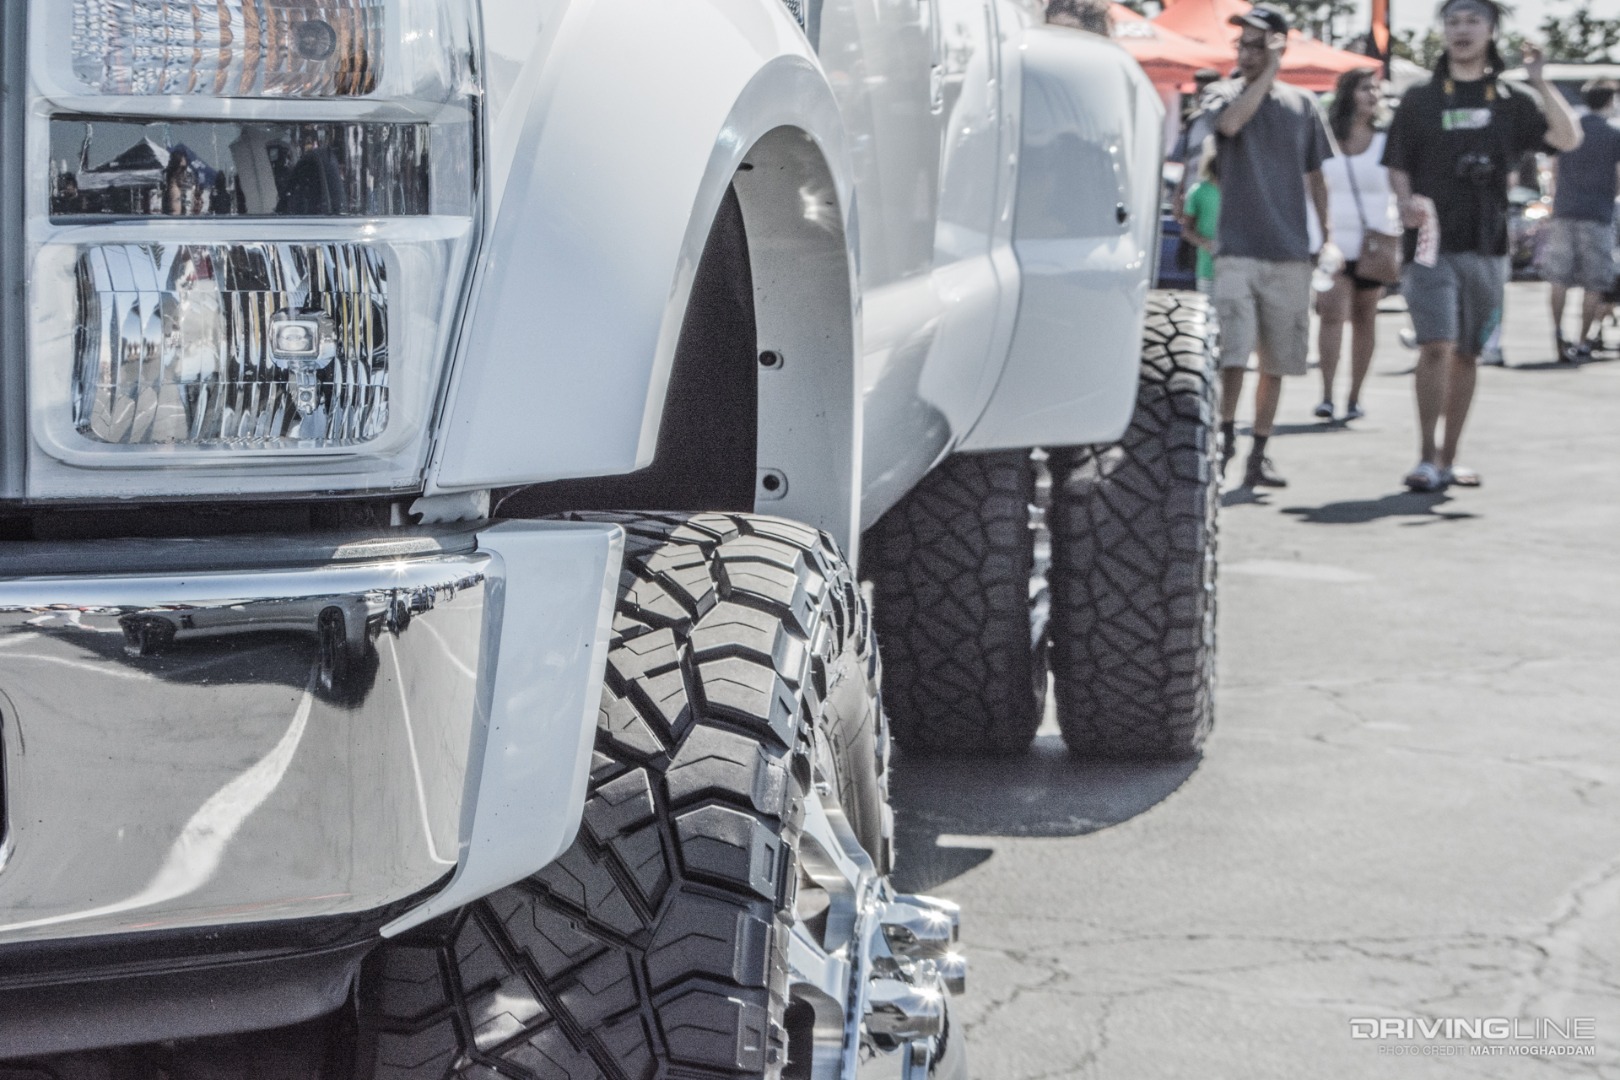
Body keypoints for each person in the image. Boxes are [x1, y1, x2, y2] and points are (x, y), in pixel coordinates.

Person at [1382, 0, 1581, 493]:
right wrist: (1405, 201)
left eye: (1473, 20)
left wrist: (1539, 79)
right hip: (1429, 245)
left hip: (1488, 243)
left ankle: (1449, 459)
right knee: (1436, 344)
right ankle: (1425, 457)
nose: (1461, 29)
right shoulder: (1421, 99)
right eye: (1453, 21)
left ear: (1491, 31)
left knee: (1468, 353)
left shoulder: (1510, 99)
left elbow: (1567, 138)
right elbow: (1397, 162)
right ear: (1443, 33)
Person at [1203, 4, 1335, 488]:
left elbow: (1317, 175)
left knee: (1277, 360)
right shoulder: (1223, 92)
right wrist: (1266, 74)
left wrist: (1327, 234)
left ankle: (1259, 451)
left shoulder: (1302, 105)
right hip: (1236, 247)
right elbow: (1231, 125)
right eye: (1243, 44)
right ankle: (1223, 441)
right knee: (1233, 357)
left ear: (1280, 44)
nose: (1248, 53)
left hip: (1290, 251)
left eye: (1259, 44)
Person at [1309, 67, 1398, 422]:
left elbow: (1398, 184)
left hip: (1374, 241)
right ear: (1348, 93)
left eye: (1375, 89)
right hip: (1332, 241)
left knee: (1365, 318)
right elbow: (1312, 184)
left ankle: (1355, 396)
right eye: (1365, 89)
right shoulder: (1326, 136)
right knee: (1331, 315)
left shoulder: (1386, 139)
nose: (1372, 96)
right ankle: (1327, 394)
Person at [1543, 79, 1620, 362]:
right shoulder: (1613, 134)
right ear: (1610, 100)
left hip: (1564, 211)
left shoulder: (1570, 126)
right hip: (1597, 214)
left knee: (1559, 278)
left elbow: (1554, 170)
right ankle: (1584, 340)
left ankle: (1557, 334)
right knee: (1595, 282)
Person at [1182, 137, 1222, 297]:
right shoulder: (1197, 191)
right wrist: (1206, 243)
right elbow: (1186, 230)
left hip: (1236, 273)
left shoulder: (1240, 193)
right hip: (1207, 269)